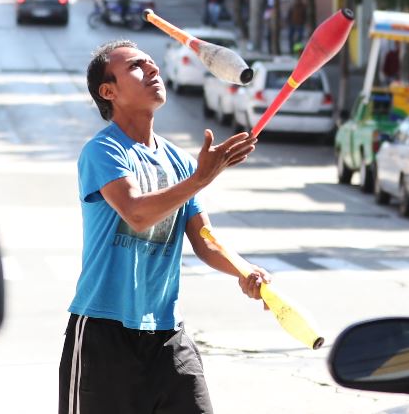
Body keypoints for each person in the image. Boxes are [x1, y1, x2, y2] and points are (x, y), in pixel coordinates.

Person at [59, 39, 271, 414]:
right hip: (104, 333)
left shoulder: (180, 161)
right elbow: (136, 212)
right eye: (137, 67)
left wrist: (245, 271)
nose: (154, 70)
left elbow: (205, 241)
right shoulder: (104, 151)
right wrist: (201, 179)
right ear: (108, 92)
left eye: (153, 63)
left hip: (168, 334)